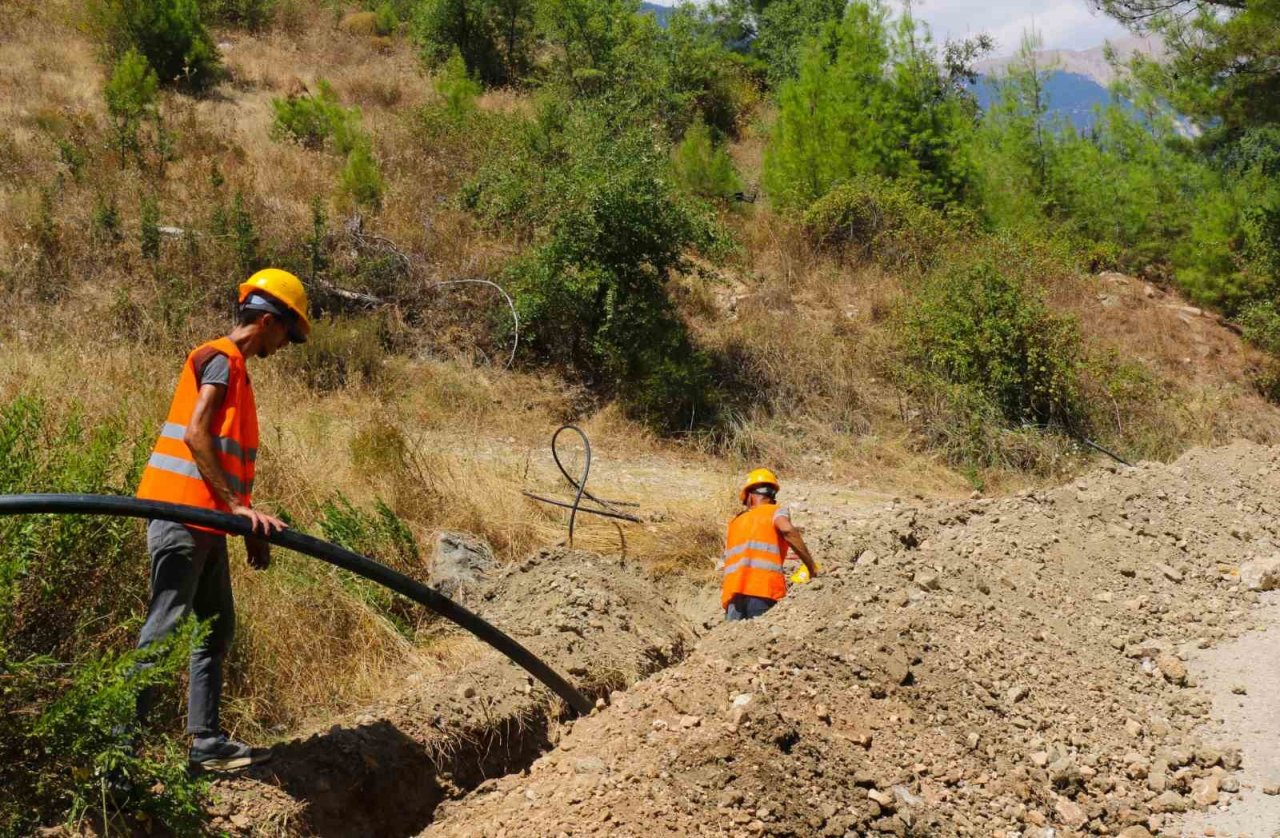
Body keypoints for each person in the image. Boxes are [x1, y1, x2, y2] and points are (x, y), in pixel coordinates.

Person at [132, 268, 311, 771]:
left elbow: (225, 458)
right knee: (163, 629)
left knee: (215, 627)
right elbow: (196, 436)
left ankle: (205, 741)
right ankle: (118, 750)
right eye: (288, 334)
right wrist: (237, 509)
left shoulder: (237, 369)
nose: (286, 345)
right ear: (270, 322)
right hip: (182, 517)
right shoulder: (221, 361)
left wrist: (243, 525)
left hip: (207, 522)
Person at [721, 468, 818, 621]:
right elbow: (787, 530)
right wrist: (811, 567)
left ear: (750, 496)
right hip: (763, 591)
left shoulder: (734, 522)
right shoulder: (775, 511)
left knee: (734, 642)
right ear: (772, 494)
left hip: (733, 598)